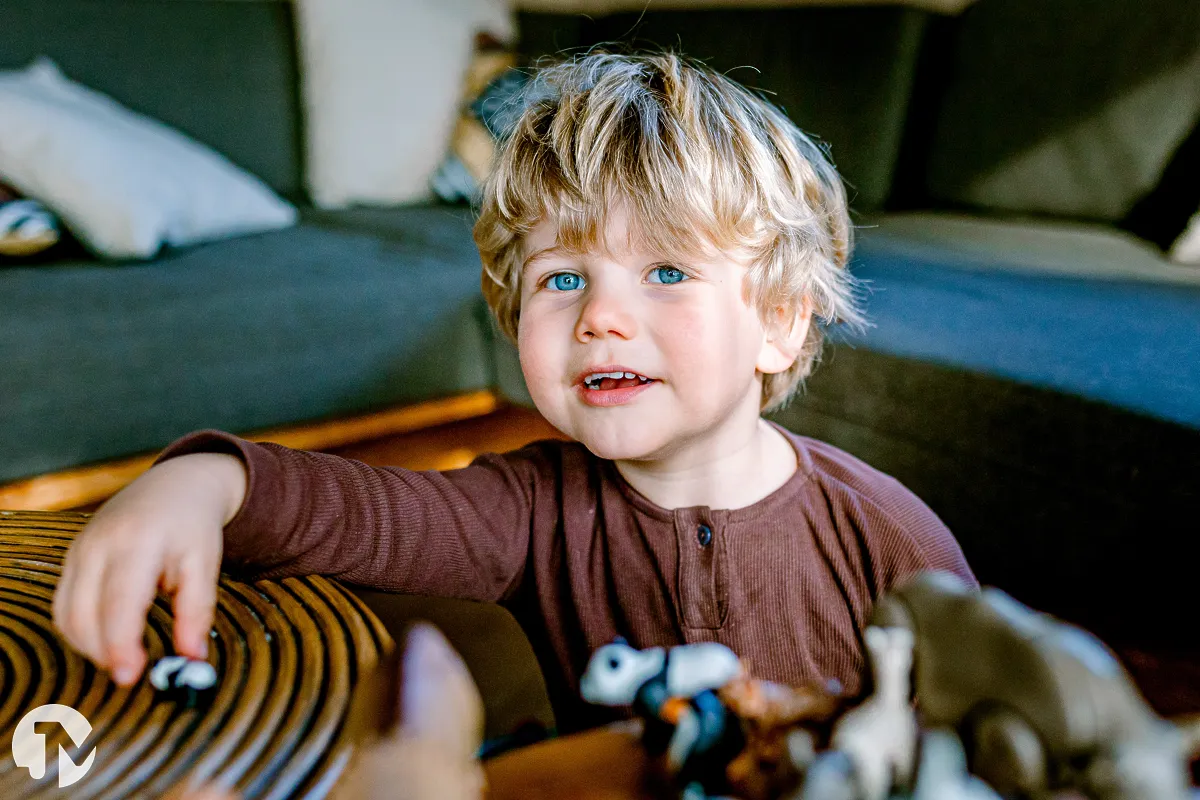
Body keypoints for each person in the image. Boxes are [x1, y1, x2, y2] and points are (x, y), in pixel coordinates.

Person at [53, 51, 975, 732]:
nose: (601, 318)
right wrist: (202, 482)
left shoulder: (887, 540)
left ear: (780, 319)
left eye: (664, 271)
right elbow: (355, 511)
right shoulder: (531, 509)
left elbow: (992, 731)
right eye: (563, 279)